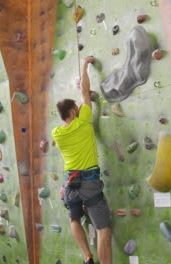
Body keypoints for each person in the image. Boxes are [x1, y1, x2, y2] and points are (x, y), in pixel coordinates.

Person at [52, 56, 112, 264]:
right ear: (72, 112)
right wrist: (85, 65)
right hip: (89, 183)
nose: (79, 109)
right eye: (76, 109)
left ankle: (87, 256)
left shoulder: (57, 134)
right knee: (104, 229)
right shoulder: (83, 121)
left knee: (74, 218)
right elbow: (85, 93)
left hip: (70, 184)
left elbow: (82, 98)